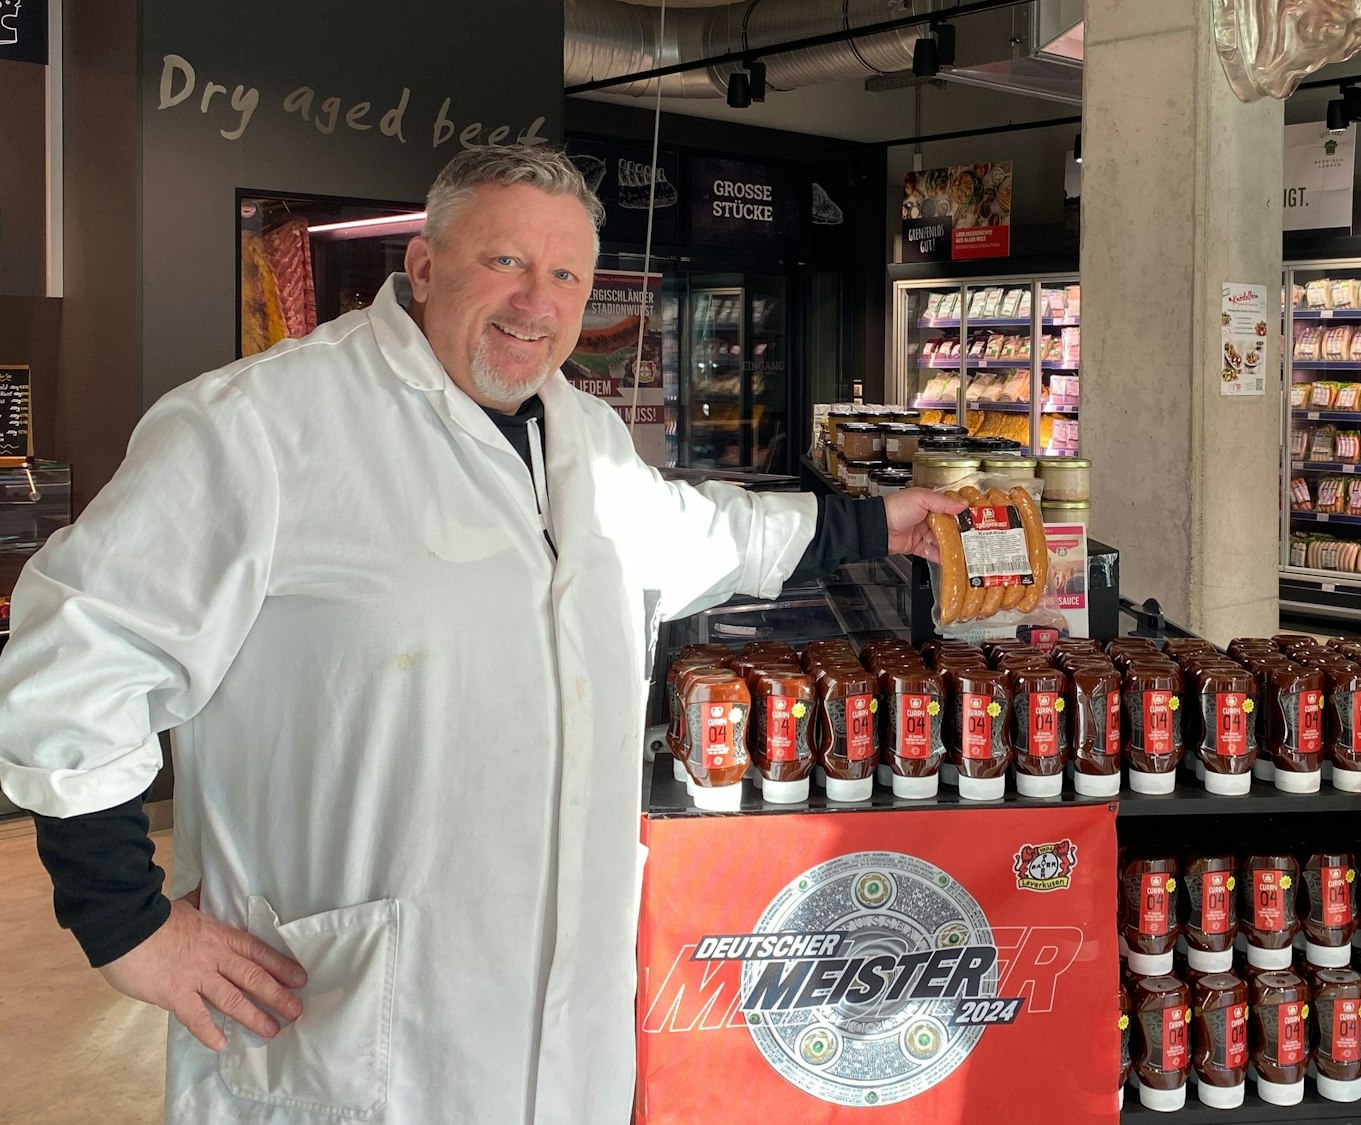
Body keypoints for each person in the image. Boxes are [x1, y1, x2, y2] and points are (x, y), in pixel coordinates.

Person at [0, 145, 963, 1124]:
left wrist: (875, 525)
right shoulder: (264, 426)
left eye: (566, 276)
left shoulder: (582, 437)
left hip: (563, 1041)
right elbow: (77, 651)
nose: (535, 302)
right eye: (504, 261)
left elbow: (701, 534)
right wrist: (124, 922)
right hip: (355, 1030)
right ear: (423, 267)